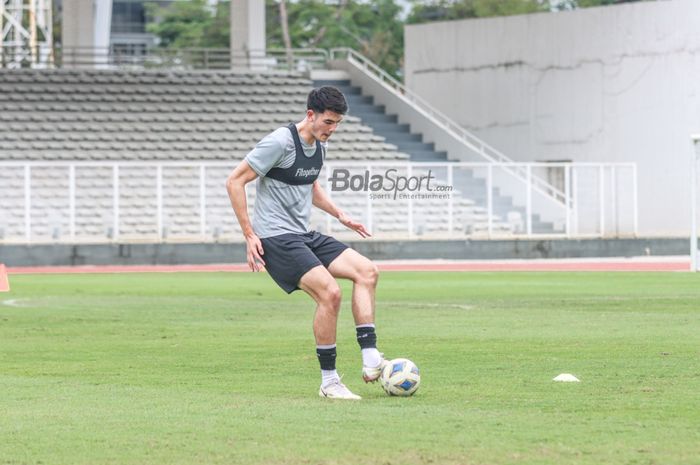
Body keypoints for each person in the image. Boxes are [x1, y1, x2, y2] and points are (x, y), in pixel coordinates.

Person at [226, 86, 386, 400]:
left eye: (337, 123)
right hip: (275, 238)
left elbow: (309, 184)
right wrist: (249, 234)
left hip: (302, 234)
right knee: (330, 293)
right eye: (328, 122)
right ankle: (329, 382)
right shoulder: (279, 142)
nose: (333, 129)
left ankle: (371, 360)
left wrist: (341, 215)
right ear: (310, 115)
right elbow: (235, 180)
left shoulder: (319, 146)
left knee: (367, 271)